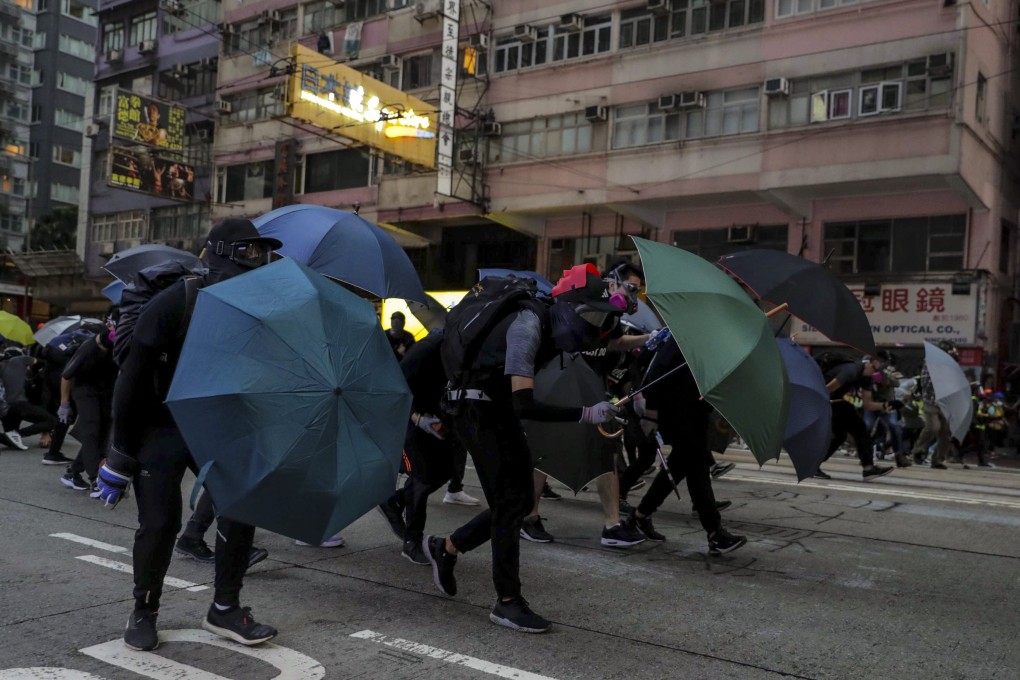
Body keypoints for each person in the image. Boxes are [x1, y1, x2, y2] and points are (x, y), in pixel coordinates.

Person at [96, 218, 283, 652]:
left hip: (214, 422)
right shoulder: (177, 301)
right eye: (248, 252)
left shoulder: (252, 310)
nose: (256, 261)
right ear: (221, 254)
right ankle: (144, 610)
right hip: (159, 423)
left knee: (242, 503)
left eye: (261, 254)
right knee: (161, 522)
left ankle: (225, 609)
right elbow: (132, 379)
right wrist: (119, 454)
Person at [423, 263, 623, 633]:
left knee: (516, 503)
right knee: (509, 502)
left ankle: (446, 547)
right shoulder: (527, 326)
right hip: (477, 411)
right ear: (568, 305)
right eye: (590, 314)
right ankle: (507, 601)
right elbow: (525, 405)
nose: (594, 326)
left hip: (492, 409)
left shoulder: (545, 325)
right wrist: (587, 413)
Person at [626, 333, 747, 553]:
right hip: (677, 411)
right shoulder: (686, 335)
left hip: (695, 411)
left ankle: (639, 516)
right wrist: (650, 413)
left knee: (682, 465)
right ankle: (714, 532)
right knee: (697, 466)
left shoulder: (711, 340)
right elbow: (659, 370)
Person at [377, 329, 474, 565]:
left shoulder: (469, 347)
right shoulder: (427, 350)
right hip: (411, 418)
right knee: (421, 476)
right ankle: (412, 541)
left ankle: (394, 501)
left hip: (439, 417)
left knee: (445, 471)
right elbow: (393, 387)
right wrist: (416, 418)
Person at [58, 310, 120, 495]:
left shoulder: (119, 346)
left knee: (102, 435)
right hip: (85, 391)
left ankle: (73, 471)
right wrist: (64, 403)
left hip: (106, 392)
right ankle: (95, 479)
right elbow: (66, 375)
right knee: (91, 430)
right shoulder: (89, 347)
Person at [816, 354, 896, 480]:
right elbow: (826, 389)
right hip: (828, 399)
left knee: (841, 435)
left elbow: (867, 404)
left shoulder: (867, 378)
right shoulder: (851, 371)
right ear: (871, 362)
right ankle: (868, 468)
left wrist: (885, 405)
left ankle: (814, 464)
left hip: (839, 401)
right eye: (876, 370)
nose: (876, 374)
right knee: (859, 430)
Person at [0, 347, 61, 461]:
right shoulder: (20, 360)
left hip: (4, 410)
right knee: (53, 421)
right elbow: (40, 361)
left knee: (11, 440)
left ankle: (11, 435)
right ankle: (19, 433)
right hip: (19, 404)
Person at [910, 342, 958, 469]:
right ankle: (918, 450)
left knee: (946, 432)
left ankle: (938, 459)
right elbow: (927, 383)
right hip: (931, 401)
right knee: (933, 427)